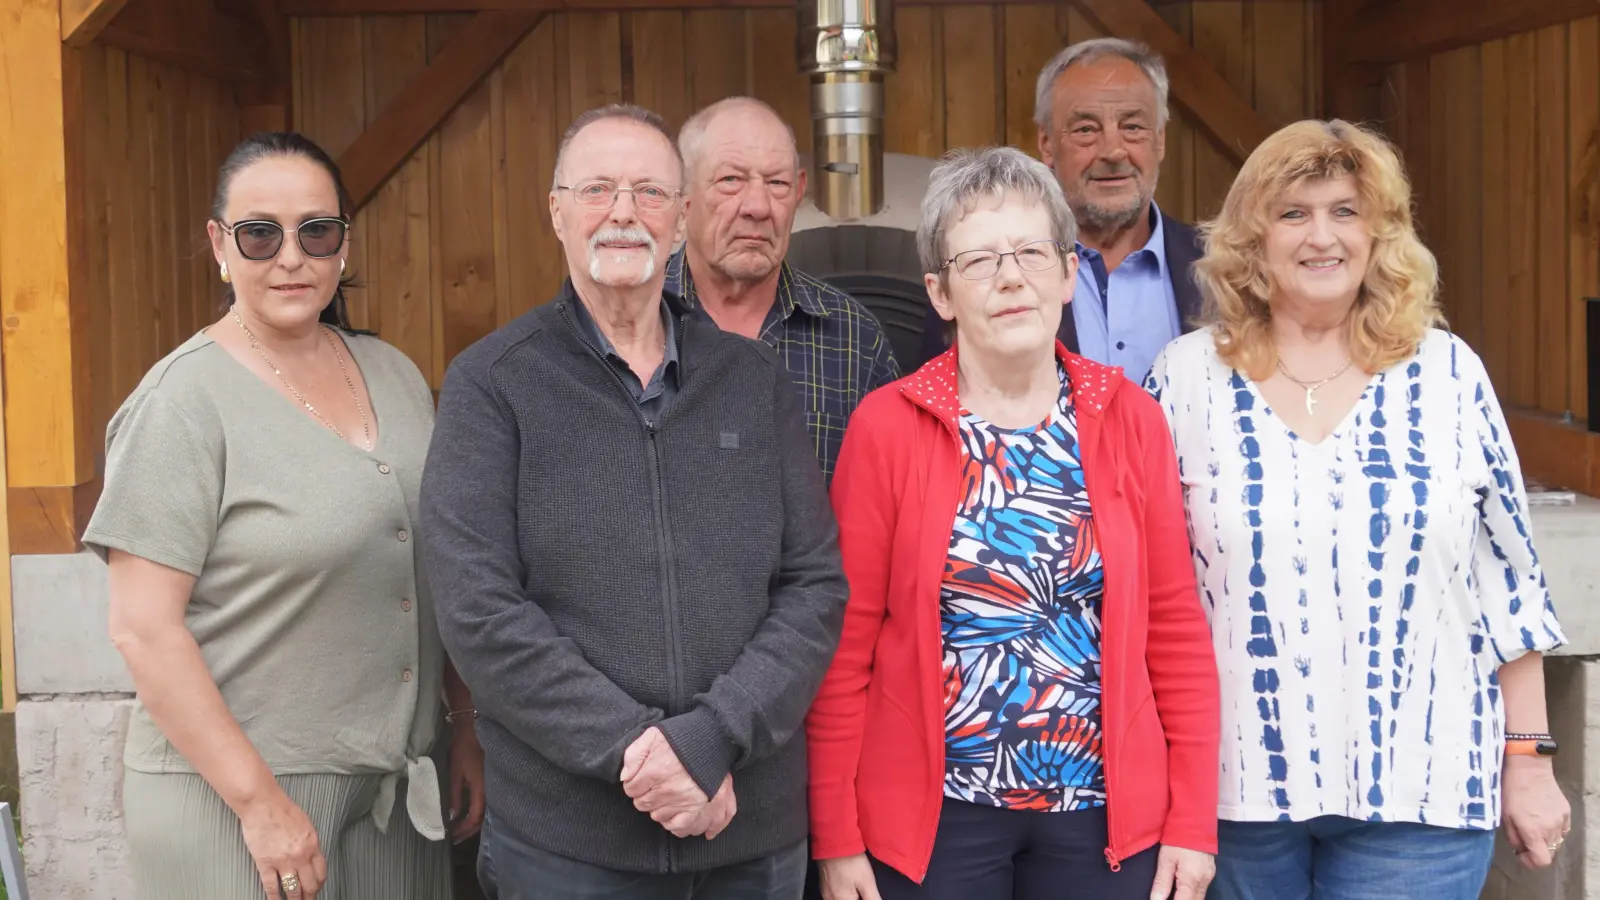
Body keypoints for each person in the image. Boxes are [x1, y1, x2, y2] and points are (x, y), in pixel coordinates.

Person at [419, 103, 851, 900]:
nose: (623, 212)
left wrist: (713, 738)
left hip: (747, 835)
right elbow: (478, 609)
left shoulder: (754, 385)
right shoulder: (492, 385)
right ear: (556, 212)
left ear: (682, 219)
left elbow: (815, 586)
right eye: (597, 190)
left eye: (650, 191)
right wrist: (641, 752)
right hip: (568, 846)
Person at [1143, 119, 1572, 900]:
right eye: (1294, 213)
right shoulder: (1184, 379)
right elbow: (1147, 590)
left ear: (1380, 234)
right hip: (1230, 793)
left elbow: (1507, 583)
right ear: (1252, 237)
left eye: (1345, 210)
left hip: (1422, 793)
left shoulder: (1447, 374)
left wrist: (1529, 760)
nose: (1322, 236)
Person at [807, 145, 1220, 900]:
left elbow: (1175, 629)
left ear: (1068, 274)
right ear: (939, 292)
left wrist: (1192, 822)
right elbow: (844, 647)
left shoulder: (1129, 418)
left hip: (1102, 822)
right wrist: (835, 835)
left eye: (1032, 252)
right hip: (935, 822)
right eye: (979, 260)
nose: (1009, 277)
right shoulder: (887, 428)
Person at [84, 131, 484, 900]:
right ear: (219, 246)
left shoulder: (395, 375)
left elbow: (440, 564)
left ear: (343, 244)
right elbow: (143, 629)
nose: (291, 257)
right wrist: (259, 804)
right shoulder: (180, 405)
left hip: (394, 792)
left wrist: (462, 723)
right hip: (233, 799)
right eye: (260, 233)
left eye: (317, 231)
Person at [916, 37, 1203, 385]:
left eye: (1132, 127)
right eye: (1085, 129)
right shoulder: (978, 277)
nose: (1113, 151)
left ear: (1159, 140)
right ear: (1047, 143)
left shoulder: (1224, 268)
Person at [666, 96, 901, 482]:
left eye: (777, 183)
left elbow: (893, 499)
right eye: (731, 180)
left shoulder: (856, 340)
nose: (758, 206)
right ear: (683, 192)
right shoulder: (632, 321)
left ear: (798, 191)